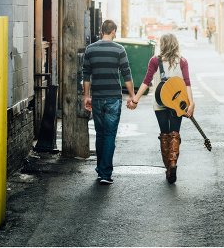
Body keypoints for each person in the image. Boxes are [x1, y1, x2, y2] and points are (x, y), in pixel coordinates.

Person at [128, 33, 194, 184]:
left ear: (162, 44)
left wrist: (135, 100)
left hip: (160, 104)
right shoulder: (182, 61)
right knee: (175, 134)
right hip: (177, 104)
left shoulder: (155, 61)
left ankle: (168, 168)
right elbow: (187, 83)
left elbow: (146, 81)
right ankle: (173, 163)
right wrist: (191, 103)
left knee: (165, 135)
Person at [82, 19, 135, 185]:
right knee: (110, 134)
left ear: (101, 31)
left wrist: (86, 96)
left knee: (100, 134)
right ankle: (105, 173)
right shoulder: (119, 50)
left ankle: (101, 170)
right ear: (113, 32)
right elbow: (126, 74)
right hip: (113, 98)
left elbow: (86, 75)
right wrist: (132, 96)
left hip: (97, 97)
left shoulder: (90, 49)